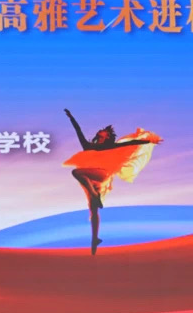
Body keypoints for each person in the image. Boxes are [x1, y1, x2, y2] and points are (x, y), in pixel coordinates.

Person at [62, 108, 162, 255]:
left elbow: (131, 142)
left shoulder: (110, 146)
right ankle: (95, 239)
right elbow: (78, 130)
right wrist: (71, 117)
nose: (101, 131)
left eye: (104, 131)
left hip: (102, 175)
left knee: (76, 172)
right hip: (90, 180)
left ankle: (94, 195)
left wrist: (149, 140)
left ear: (107, 136)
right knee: (93, 209)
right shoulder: (88, 146)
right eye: (101, 130)